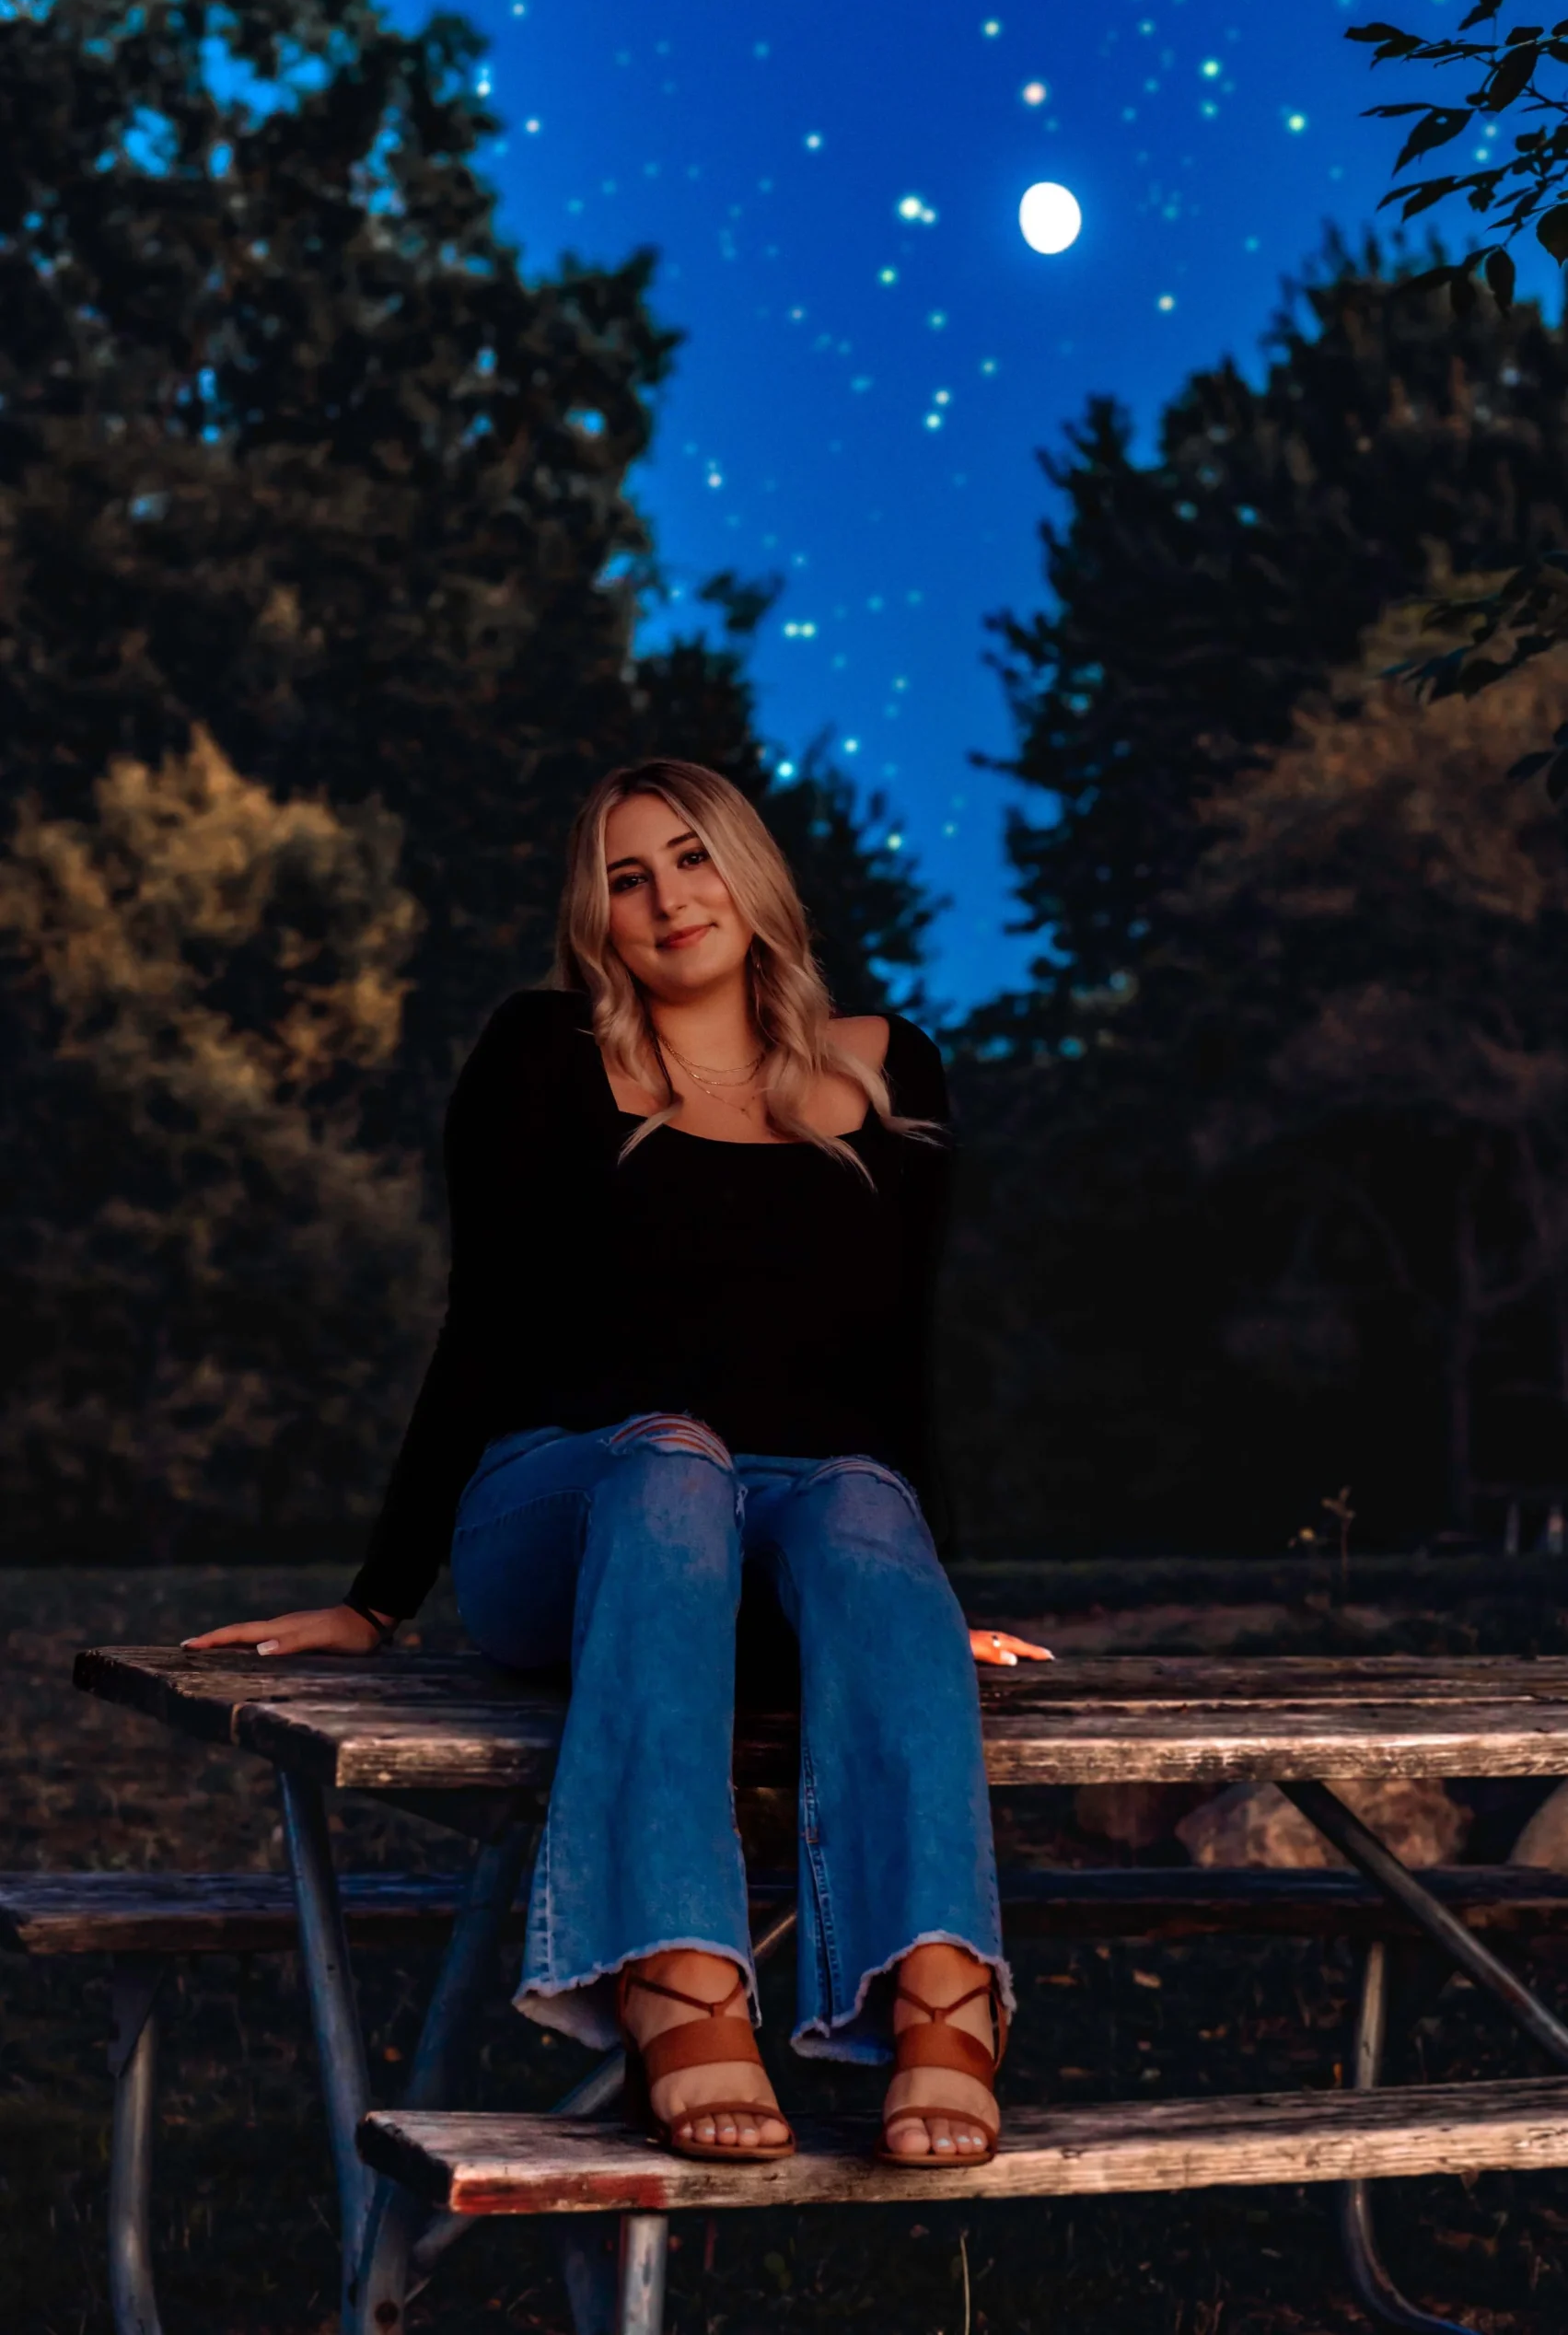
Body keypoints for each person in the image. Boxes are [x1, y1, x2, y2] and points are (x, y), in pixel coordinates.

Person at [184, 757, 1045, 2167]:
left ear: (751, 878)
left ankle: (938, 1991)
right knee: (676, 1463)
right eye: (625, 877)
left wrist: (908, 1591)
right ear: (596, 918)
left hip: (788, 1535)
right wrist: (377, 1595)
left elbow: (895, 1363)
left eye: (692, 858)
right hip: (575, 1508)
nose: (666, 899)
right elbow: (481, 1326)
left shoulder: (885, 1068)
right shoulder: (543, 1054)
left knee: (851, 1499)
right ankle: (669, 1968)